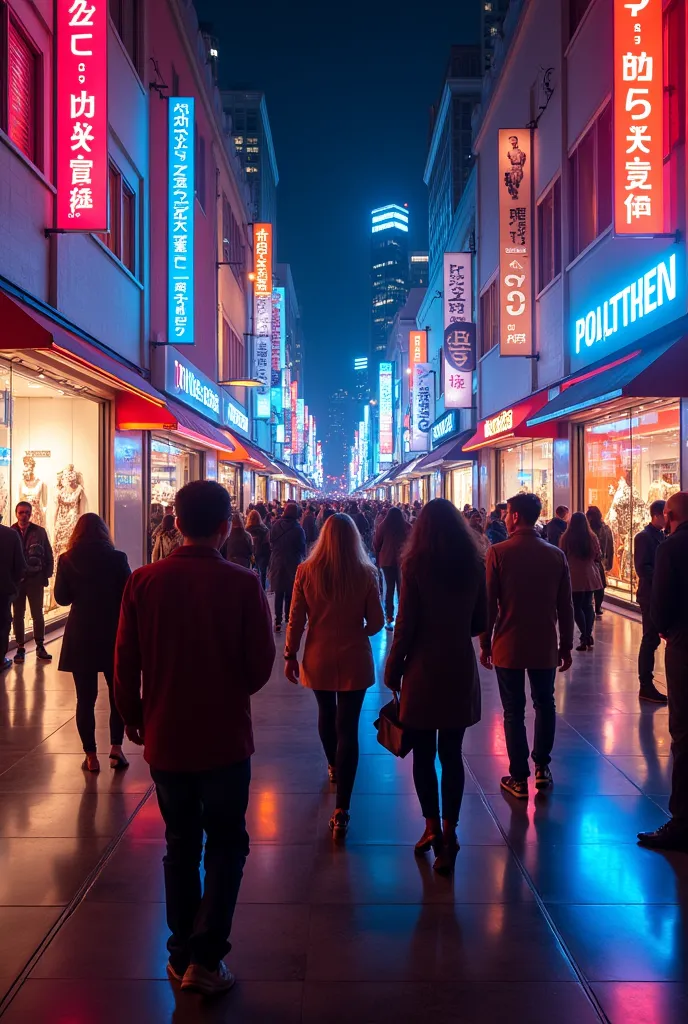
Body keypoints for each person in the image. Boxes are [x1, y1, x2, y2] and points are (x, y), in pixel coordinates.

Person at [114, 480, 275, 995]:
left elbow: (124, 664)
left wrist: (133, 714)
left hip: (166, 734)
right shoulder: (243, 584)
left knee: (180, 843)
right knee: (227, 841)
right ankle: (206, 957)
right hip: (225, 736)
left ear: (176, 524)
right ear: (227, 527)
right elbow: (259, 666)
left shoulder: (143, 582)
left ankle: (181, 949)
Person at [385, 500, 487, 873]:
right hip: (459, 666)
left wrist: (393, 669)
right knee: (452, 754)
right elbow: (480, 621)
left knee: (423, 754)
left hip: (423, 670)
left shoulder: (415, 566)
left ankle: (430, 827)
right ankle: (451, 832)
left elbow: (407, 624)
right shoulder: (474, 565)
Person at [285, 514, 384, 836]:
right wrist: (358, 629)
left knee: (326, 713)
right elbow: (377, 623)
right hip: (354, 655)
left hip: (319, 654)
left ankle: (332, 764)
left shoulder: (306, 572)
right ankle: (343, 807)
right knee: (349, 727)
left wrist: (290, 654)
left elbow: (296, 619)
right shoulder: (367, 573)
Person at [480, 492, 574, 798]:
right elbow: (566, 605)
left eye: (508, 513)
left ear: (516, 516)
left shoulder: (499, 553)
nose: (505, 518)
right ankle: (542, 767)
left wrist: (485, 641)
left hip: (509, 643)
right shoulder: (555, 554)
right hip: (544, 643)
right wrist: (567, 644)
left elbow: (489, 603)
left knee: (513, 710)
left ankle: (518, 777)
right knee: (545, 703)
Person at [54, 514, 131, 773]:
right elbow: (127, 594)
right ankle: (116, 750)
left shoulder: (67, 559)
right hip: (112, 631)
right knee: (116, 694)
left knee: (84, 699)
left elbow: (62, 599)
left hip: (81, 634)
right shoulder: (117, 558)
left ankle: (90, 756)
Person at [638, 492, 688, 851]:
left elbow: (661, 605)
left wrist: (664, 629)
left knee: (684, 733)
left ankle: (682, 821)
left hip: (684, 644)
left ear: (668, 515)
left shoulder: (671, 548)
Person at [634, 499, 668, 704]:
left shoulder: (663, 536)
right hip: (650, 595)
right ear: (656, 515)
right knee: (650, 639)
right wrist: (663, 576)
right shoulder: (644, 537)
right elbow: (642, 568)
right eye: (665, 514)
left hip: (659, 594)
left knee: (654, 638)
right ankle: (645, 683)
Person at [11, 501, 54, 664]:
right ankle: (20, 647)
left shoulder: (40, 532)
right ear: (17, 513)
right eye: (21, 512)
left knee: (37, 614)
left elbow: (49, 554)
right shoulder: (11, 532)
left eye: (27, 512)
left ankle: (40, 646)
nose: (24, 515)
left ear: (31, 514)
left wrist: (47, 574)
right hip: (17, 581)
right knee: (18, 615)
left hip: (35, 579)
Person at [560, 512, 602, 652]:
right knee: (588, 605)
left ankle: (584, 636)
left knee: (576, 606)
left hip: (573, 574)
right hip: (590, 574)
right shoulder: (592, 537)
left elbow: (562, 555)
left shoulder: (566, 538)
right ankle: (588, 635)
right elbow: (598, 555)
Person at [268, 502, 306, 632]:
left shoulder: (276, 525)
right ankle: (289, 617)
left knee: (278, 592)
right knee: (290, 591)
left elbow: (271, 541)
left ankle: (277, 620)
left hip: (277, 561)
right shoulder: (298, 529)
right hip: (292, 562)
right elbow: (302, 547)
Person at [374, 506, 411, 629]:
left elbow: (376, 543)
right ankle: (404, 615)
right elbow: (412, 542)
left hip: (387, 561)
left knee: (389, 589)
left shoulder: (383, 526)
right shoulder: (406, 527)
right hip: (403, 560)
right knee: (403, 588)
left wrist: (378, 556)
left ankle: (389, 616)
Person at [0, 523, 26, 672]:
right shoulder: (10, 535)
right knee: (2, 625)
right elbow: (20, 567)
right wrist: (13, 586)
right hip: (3, 590)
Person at [586, 506, 614, 618]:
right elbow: (610, 547)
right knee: (600, 585)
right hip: (600, 561)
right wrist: (608, 562)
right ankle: (598, 607)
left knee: (591, 585)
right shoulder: (605, 528)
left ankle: (591, 606)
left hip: (590, 561)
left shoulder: (587, 529)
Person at [246, 509, 270, 589]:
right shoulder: (265, 529)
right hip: (263, 553)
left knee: (252, 572)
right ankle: (263, 590)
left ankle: (254, 588)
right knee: (263, 573)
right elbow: (268, 543)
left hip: (252, 554)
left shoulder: (247, 530)